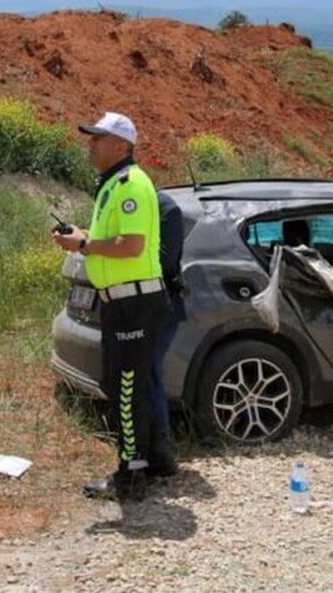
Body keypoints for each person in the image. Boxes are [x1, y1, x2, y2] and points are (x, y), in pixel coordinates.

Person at [51, 111, 168, 501]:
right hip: (121, 302)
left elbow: (131, 246)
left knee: (127, 389)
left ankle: (131, 476)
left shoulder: (131, 183)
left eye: (98, 138)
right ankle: (145, 464)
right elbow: (113, 241)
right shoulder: (111, 186)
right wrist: (81, 236)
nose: (91, 144)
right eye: (91, 137)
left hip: (135, 302)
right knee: (124, 387)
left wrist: (83, 245)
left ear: (122, 146)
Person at [148, 190, 186, 477]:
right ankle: (153, 452)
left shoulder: (166, 209)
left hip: (160, 305)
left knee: (149, 376)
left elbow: (164, 263)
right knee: (146, 376)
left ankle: (159, 453)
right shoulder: (156, 206)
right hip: (140, 305)